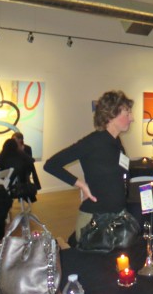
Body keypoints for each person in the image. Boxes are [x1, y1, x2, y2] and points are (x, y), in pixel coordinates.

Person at [44, 90, 134, 239]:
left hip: (116, 218)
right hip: (94, 223)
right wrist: (81, 185)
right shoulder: (92, 142)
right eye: (127, 113)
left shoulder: (116, 141)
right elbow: (51, 165)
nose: (132, 118)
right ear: (111, 115)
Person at [0, 137, 40, 202]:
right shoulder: (21, 154)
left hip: (6, 182)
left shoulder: (1, 157)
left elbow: (1, 167)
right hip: (21, 182)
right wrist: (22, 151)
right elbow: (32, 160)